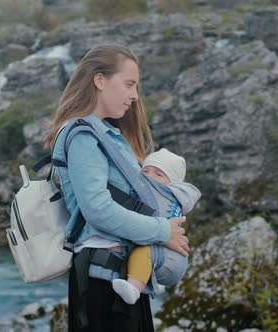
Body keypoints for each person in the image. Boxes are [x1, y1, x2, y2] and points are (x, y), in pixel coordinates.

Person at [43, 45, 190, 332]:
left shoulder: (107, 134)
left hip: (118, 276)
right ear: (100, 81)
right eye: (129, 84)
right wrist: (163, 231)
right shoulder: (83, 136)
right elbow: (98, 210)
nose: (135, 96)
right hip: (103, 278)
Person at [112, 148, 201, 304]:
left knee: (143, 253)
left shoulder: (161, 195)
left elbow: (141, 227)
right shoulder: (176, 197)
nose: (150, 177)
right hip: (174, 257)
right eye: (145, 171)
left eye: (159, 174)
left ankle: (133, 289)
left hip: (168, 258)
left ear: (172, 182)